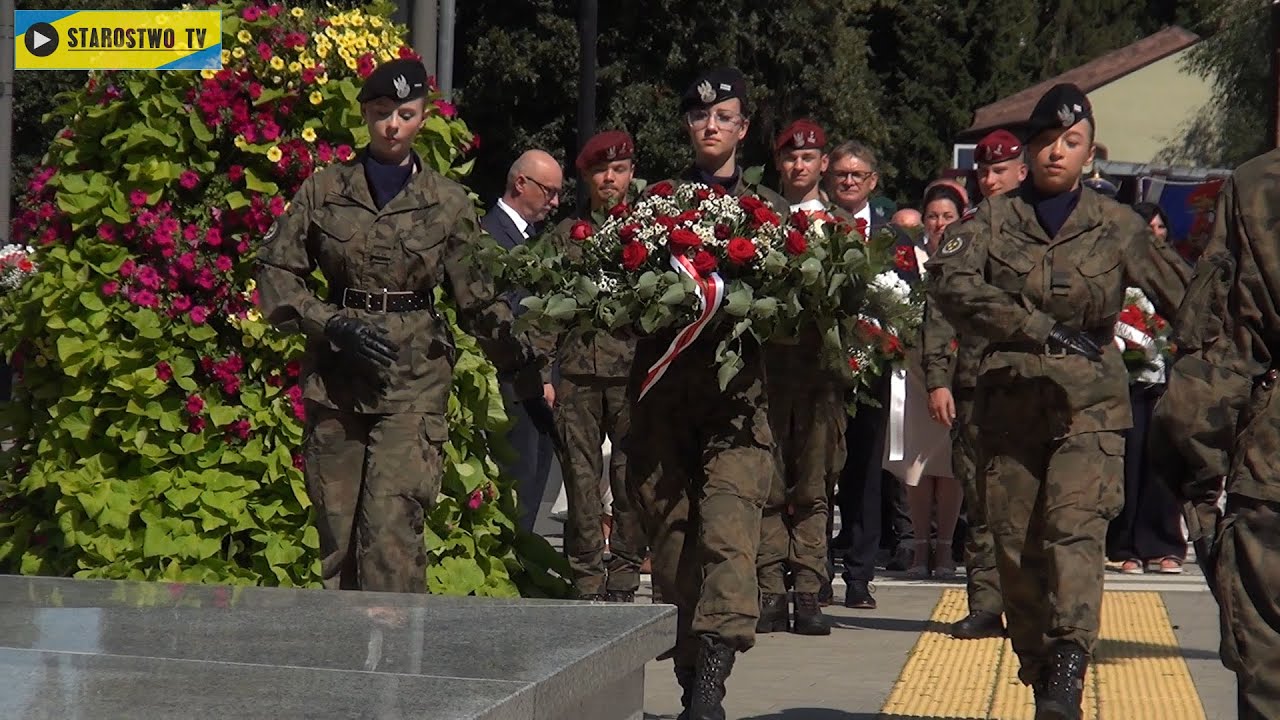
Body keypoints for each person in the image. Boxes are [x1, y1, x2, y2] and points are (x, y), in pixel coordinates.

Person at [925, 83, 1189, 719]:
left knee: (1075, 532)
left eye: (1070, 142)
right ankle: (1044, 671)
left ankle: (1070, 665)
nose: (1055, 153)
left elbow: (1190, 303)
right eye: (1044, 142)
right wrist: (1034, 327)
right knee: (1015, 553)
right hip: (1008, 407)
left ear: (1089, 152)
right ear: (1029, 149)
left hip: (1089, 408)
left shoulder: (1119, 226)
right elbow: (952, 286)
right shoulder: (989, 221)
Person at [255, 59, 548, 593]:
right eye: (382, 113)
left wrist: (531, 354)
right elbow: (276, 274)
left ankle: (394, 672)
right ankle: (348, 670)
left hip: (412, 382)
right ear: (366, 114)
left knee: (392, 537)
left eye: (406, 114)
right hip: (337, 380)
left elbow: (477, 300)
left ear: (421, 120)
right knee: (337, 539)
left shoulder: (447, 201)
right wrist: (330, 323)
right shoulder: (324, 191)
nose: (393, 125)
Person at [626, 66, 787, 720]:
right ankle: (692, 681)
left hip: (739, 404)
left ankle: (712, 686)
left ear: (744, 128)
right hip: (665, 403)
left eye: (724, 116)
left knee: (728, 537)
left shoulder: (771, 214)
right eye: (699, 116)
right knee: (672, 547)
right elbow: (622, 294)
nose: (710, 125)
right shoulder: (656, 206)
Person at [1150, 148, 1280, 719]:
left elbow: (1221, 347)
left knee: (1269, 670)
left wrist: (1196, 474)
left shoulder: (1259, 186)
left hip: (1273, 472)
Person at [923, 128, 1025, 639]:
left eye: (1000, 169)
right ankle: (986, 604)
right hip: (975, 387)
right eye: (983, 170)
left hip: (1035, 385)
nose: (990, 178)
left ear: (1022, 172)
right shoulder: (966, 233)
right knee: (981, 499)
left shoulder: (1049, 231)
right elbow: (941, 309)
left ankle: (1033, 606)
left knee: (1035, 501)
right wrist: (938, 380)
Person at [755, 119, 845, 636]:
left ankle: (808, 588)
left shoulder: (839, 226)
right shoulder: (758, 219)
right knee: (767, 481)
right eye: (790, 157)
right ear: (779, 162)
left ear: (823, 164)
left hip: (819, 376)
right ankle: (769, 588)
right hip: (769, 372)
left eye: (808, 158)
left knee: (813, 485)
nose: (798, 165)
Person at [552, 130, 645, 601]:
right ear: (586, 176)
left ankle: (626, 575)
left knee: (632, 480)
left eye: (620, 169)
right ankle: (586, 577)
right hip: (578, 375)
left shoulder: (649, 235)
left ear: (631, 173)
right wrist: (540, 372)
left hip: (633, 374)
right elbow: (546, 305)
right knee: (581, 483)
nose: (610, 178)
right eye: (600, 170)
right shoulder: (565, 237)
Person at [482, 150, 563, 533]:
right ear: (521, 184)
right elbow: (510, 315)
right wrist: (542, 374)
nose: (555, 202)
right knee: (516, 492)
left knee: (531, 490)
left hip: (534, 387)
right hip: (512, 385)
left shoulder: (534, 240)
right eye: (549, 192)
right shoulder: (490, 236)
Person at [1105, 202, 1187, 576]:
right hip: (1125, 384)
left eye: (1159, 226)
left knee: (1163, 465)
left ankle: (1165, 545)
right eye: (1146, 226)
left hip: (1165, 384)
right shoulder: (1116, 271)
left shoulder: (1176, 274)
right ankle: (1124, 545)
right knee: (1128, 464)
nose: (1154, 233)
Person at [890, 184, 964, 580]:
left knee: (950, 466)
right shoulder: (908, 261)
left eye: (947, 216)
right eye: (933, 216)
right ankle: (919, 547)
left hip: (956, 372)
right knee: (917, 466)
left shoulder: (967, 260)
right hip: (914, 372)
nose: (939, 224)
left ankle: (946, 548)